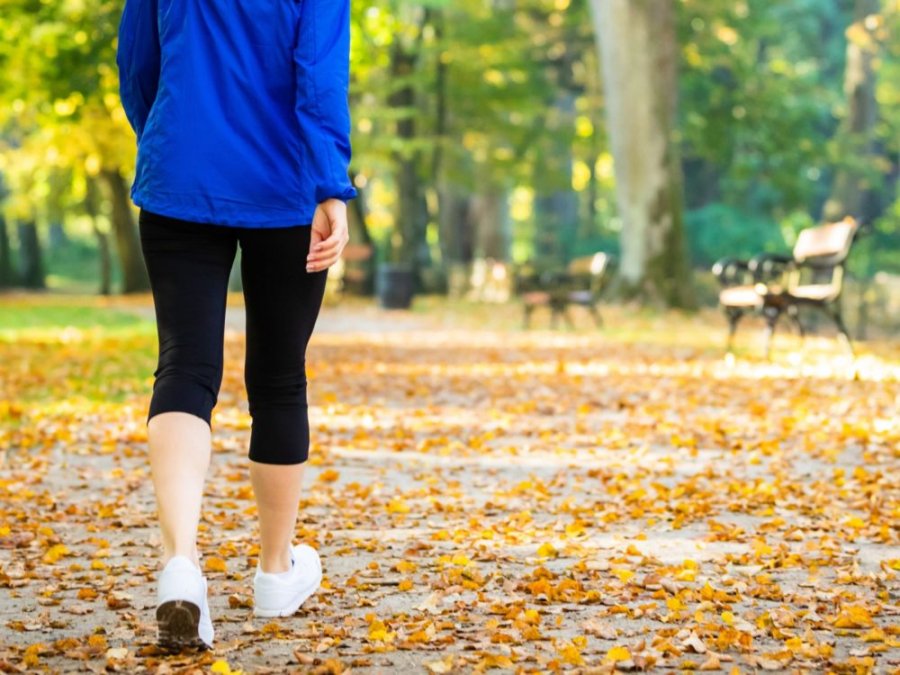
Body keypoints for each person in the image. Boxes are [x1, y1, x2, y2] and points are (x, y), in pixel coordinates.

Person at [115, 0, 356, 651]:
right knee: (278, 379)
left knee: (185, 368)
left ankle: (180, 565)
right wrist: (332, 186)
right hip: (287, 187)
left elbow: (137, 64)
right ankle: (276, 572)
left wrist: (169, 138)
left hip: (179, 177)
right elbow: (319, 79)